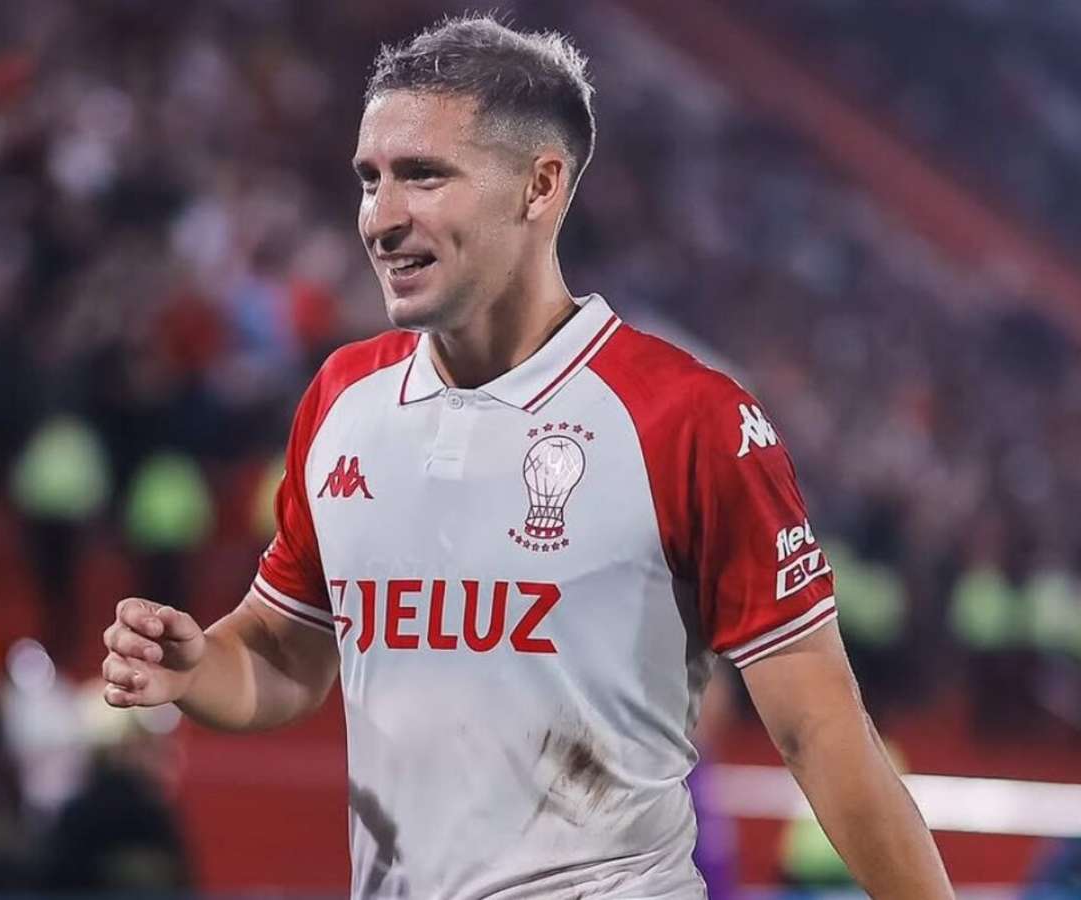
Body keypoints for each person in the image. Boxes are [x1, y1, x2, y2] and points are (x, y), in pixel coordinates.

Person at [102, 15, 953, 898]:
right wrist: (199, 666)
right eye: (370, 179)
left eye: (423, 175)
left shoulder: (687, 418)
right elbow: (285, 651)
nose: (382, 218)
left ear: (540, 186)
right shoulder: (342, 399)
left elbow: (822, 730)